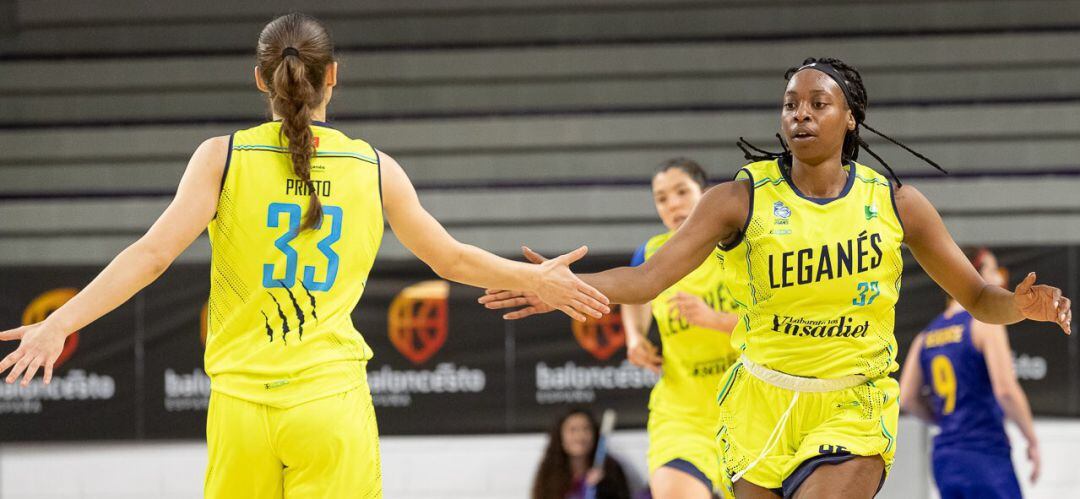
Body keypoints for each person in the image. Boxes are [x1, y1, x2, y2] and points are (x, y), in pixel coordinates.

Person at [0, 13, 609, 498]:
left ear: (261, 79)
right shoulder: (374, 166)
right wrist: (535, 278)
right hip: (329, 403)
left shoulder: (222, 156)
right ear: (333, 76)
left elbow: (153, 254)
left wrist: (61, 322)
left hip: (241, 407)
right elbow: (448, 258)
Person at [481, 57, 1071, 498]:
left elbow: (976, 296)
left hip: (855, 401)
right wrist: (554, 284)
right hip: (761, 402)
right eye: (791, 103)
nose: (801, 114)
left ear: (851, 117)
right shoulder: (738, 199)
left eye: (819, 103)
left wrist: (1021, 307)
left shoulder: (897, 204)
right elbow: (650, 278)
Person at [621, 158, 740, 499]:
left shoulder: (740, 249)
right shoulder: (652, 253)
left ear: (704, 194)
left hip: (749, 413)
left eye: (681, 192)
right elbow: (633, 296)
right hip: (682, 415)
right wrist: (634, 337)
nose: (672, 204)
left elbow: (774, 325)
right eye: (661, 198)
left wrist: (713, 319)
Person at [899, 247, 1039, 499]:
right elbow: (1006, 390)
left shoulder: (926, 335)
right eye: (993, 270)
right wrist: (1032, 439)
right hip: (984, 452)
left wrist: (946, 421)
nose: (1000, 278)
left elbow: (907, 397)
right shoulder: (985, 324)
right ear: (972, 275)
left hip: (945, 457)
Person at [533, 408, 632, 499]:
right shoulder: (549, 474)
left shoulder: (611, 471)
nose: (580, 436)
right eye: (573, 430)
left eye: (586, 429)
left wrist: (603, 488)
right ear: (560, 437)